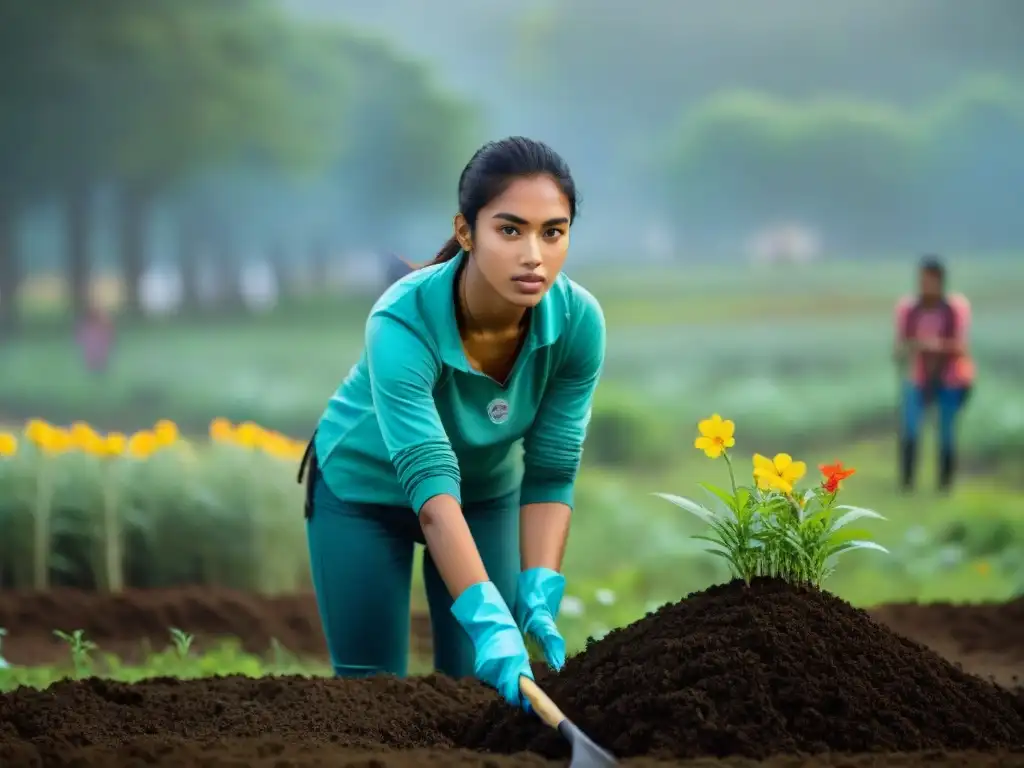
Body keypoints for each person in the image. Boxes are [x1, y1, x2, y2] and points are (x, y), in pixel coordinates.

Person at [297, 137, 606, 711]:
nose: (534, 254)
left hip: (485, 494)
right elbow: (432, 488)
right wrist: (490, 617)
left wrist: (538, 584)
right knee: (371, 699)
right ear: (466, 232)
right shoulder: (402, 319)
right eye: (510, 230)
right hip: (365, 492)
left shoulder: (578, 321)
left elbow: (553, 466)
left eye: (553, 232)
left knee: (478, 696)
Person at [893, 255, 974, 492]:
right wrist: (909, 349)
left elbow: (960, 346)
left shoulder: (954, 308)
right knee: (910, 429)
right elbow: (900, 346)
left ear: (940, 281)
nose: (925, 285)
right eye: (922, 280)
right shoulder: (909, 308)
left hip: (950, 377)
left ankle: (944, 486)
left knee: (946, 433)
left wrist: (930, 345)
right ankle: (907, 485)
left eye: (929, 280)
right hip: (917, 377)